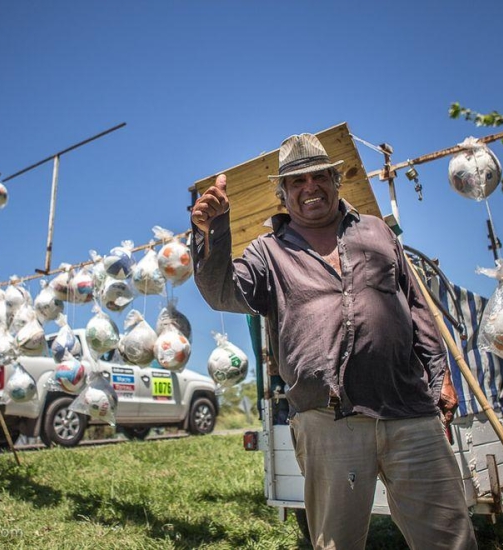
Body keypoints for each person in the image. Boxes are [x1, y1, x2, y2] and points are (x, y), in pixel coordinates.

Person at [191, 133, 477, 549]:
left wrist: (441, 375)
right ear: (283, 193)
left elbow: (417, 306)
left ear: (335, 180)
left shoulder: (377, 231)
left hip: (409, 409)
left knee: (449, 538)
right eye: (297, 181)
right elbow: (222, 293)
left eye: (319, 176)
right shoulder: (267, 252)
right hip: (327, 420)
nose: (310, 187)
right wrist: (211, 232)